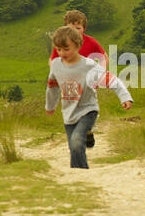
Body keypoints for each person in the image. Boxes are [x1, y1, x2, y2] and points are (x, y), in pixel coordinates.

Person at [45, 25, 133, 169]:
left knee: (76, 141)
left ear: (78, 45)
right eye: (58, 49)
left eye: (66, 49)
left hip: (88, 109)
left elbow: (110, 79)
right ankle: (78, 172)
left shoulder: (89, 65)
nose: (62, 53)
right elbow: (52, 88)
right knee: (73, 147)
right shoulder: (56, 65)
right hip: (69, 113)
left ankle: (81, 173)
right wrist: (50, 106)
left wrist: (125, 97)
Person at [48, 10, 106, 148]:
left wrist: (100, 76)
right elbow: (53, 61)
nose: (75, 31)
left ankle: (89, 129)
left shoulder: (91, 42)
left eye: (78, 28)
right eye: (71, 28)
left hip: (87, 82)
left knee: (89, 105)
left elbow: (103, 57)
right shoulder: (62, 44)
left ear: (84, 28)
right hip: (69, 82)